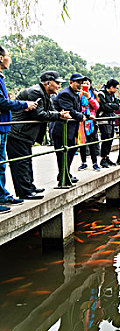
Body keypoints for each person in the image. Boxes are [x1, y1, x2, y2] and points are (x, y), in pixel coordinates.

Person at [7, 71, 70, 200]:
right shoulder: (35, 92)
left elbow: (50, 111)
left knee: (27, 161)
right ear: (47, 83)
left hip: (24, 134)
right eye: (57, 83)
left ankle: (29, 186)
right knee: (21, 163)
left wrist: (58, 114)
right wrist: (59, 115)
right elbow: (39, 114)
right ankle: (24, 191)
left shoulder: (46, 94)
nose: (59, 86)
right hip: (17, 133)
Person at [0, 45, 37, 211]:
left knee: (2, 164)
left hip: (4, 128)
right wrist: (24, 105)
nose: (10, 59)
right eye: (9, 56)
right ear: (1, 58)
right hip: (3, 127)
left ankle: (2, 195)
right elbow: (2, 103)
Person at [50, 73, 86, 185]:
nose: (80, 85)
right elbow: (69, 110)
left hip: (71, 130)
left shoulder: (75, 94)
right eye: (78, 82)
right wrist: (81, 116)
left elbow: (77, 110)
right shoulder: (65, 94)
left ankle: (65, 173)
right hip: (62, 130)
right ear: (71, 82)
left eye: (81, 82)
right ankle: (63, 176)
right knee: (63, 153)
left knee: (70, 151)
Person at [78, 78, 101, 171]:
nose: (85, 85)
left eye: (87, 83)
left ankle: (95, 163)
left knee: (92, 142)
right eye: (83, 83)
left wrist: (89, 98)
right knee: (82, 142)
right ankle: (84, 162)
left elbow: (96, 106)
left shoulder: (93, 94)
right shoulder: (77, 94)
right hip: (81, 120)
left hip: (91, 121)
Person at [97, 79, 120, 168]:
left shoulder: (112, 95)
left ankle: (107, 157)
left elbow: (117, 106)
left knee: (110, 139)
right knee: (106, 138)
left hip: (111, 119)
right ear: (111, 87)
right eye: (116, 88)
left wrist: (110, 105)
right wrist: (111, 105)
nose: (116, 90)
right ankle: (103, 159)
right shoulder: (101, 94)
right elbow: (103, 107)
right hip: (103, 119)